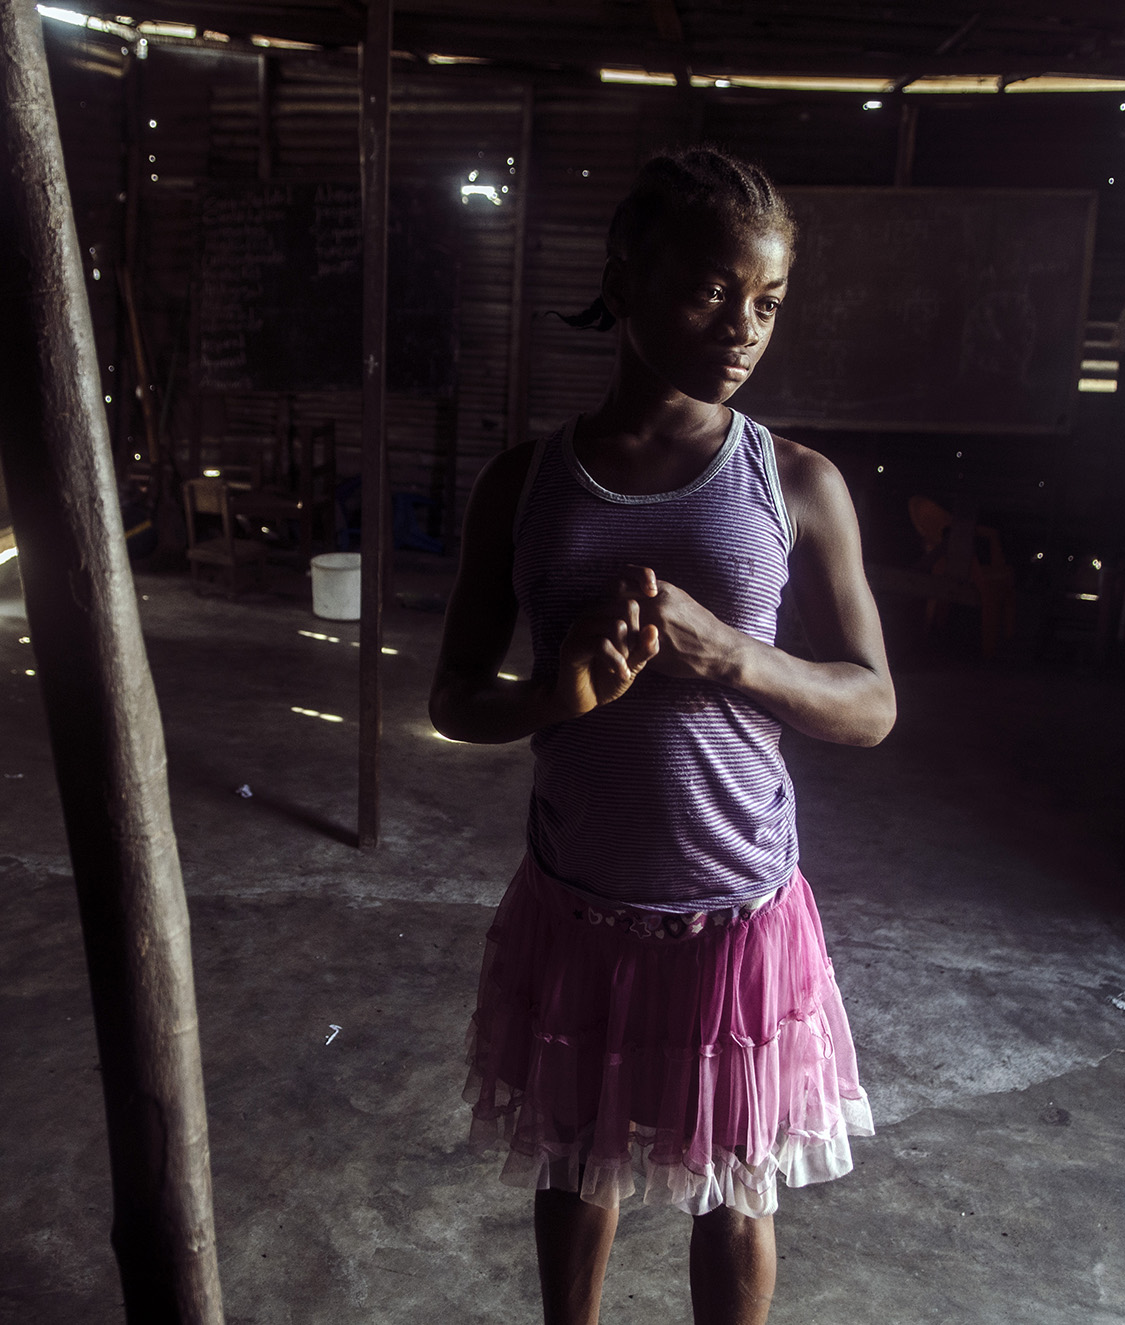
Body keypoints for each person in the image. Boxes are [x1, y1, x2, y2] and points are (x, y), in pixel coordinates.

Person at [428, 147, 896, 1325]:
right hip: (578, 896)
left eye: (767, 301)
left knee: (733, 1191)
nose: (742, 327)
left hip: (734, 908)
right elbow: (453, 699)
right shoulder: (524, 484)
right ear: (624, 275)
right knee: (575, 1163)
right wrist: (554, 695)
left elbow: (873, 702)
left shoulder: (792, 479)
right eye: (708, 289)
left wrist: (735, 655)